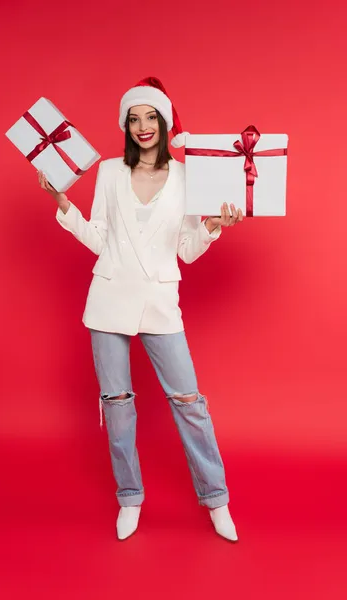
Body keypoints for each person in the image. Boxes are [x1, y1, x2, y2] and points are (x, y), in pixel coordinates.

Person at [38, 77, 243, 542]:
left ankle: (217, 500)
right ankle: (129, 497)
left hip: (160, 301)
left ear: (165, 122)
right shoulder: (110, 172)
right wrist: (62, 203)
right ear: (125, 125)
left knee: (189, 402)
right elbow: (99, 238)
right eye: (135, 118)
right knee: (117, 405)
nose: (144, 126)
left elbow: (187, 250)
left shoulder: (190, 177)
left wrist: (213, 224)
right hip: (108, 299)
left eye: (152, 117)